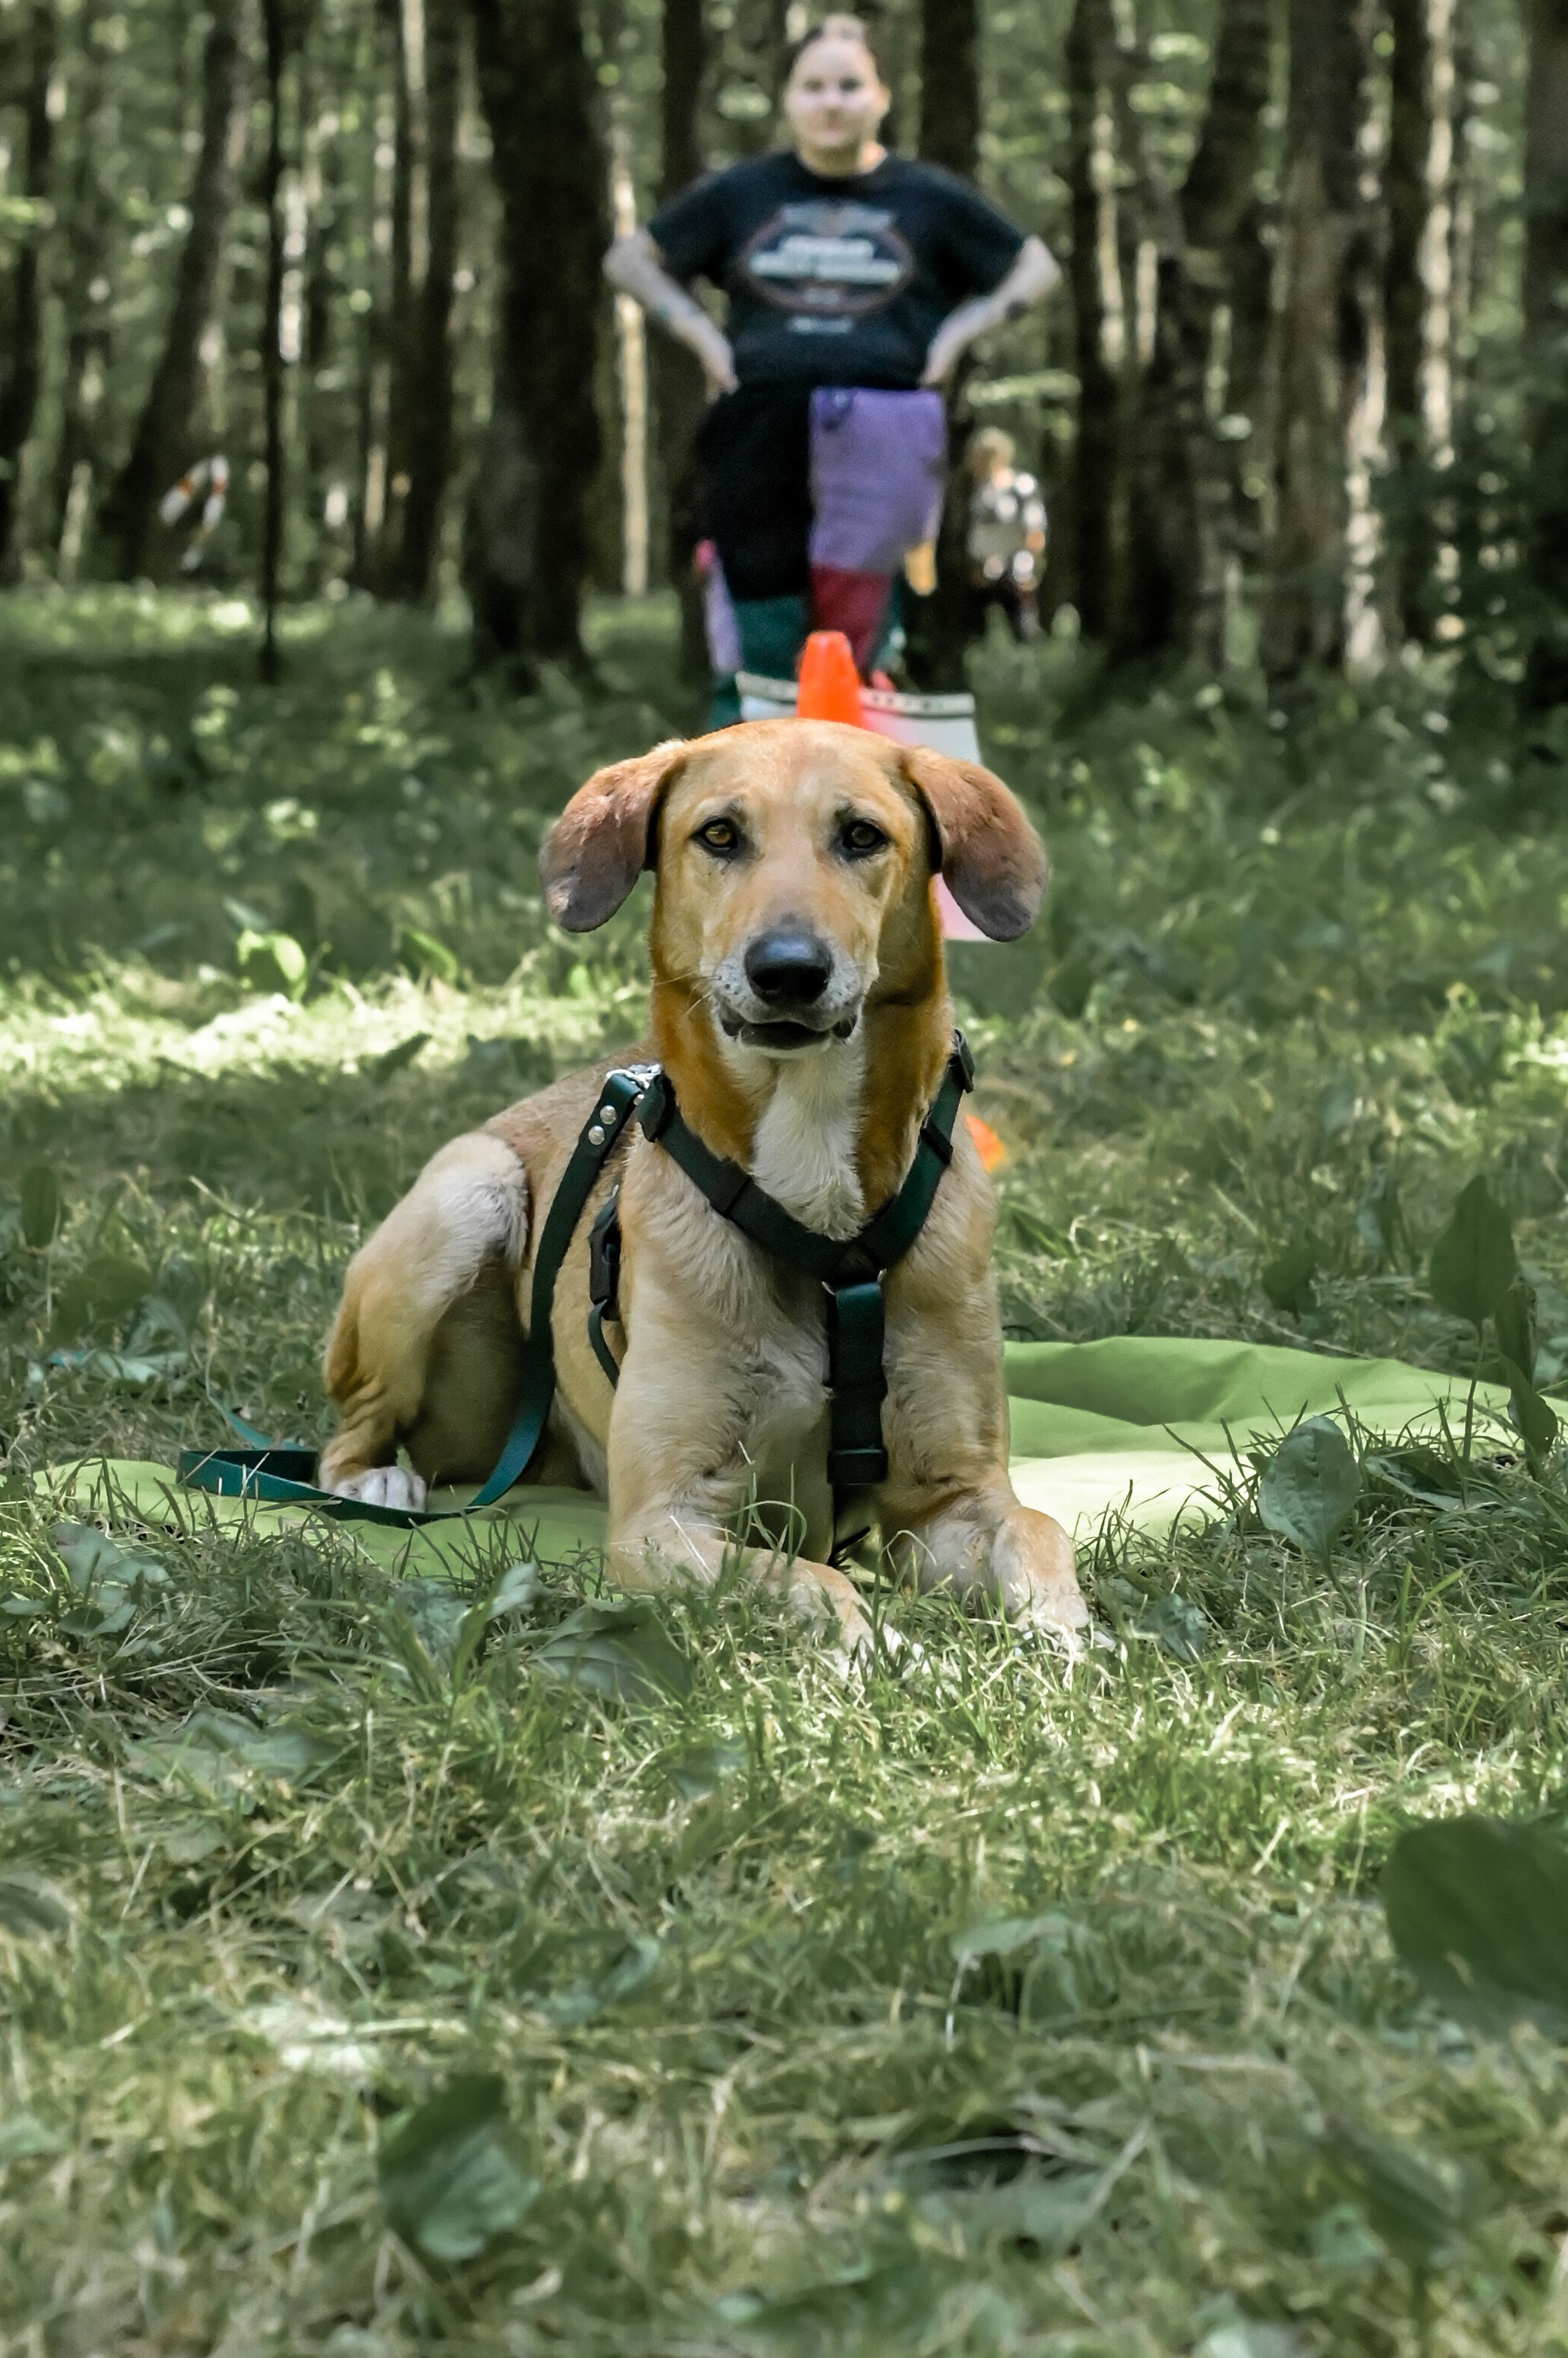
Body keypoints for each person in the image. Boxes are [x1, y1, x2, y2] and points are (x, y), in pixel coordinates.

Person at [605, 13, 1058, 716]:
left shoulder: (927, 196)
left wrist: (962, 329)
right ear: (788, 97)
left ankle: (854, 806)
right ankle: (737, 797)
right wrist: (699, 334)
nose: (832, 101)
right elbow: (630, 261)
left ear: (880, 95)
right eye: (813, 86)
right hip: (758, 426)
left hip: (886, 429)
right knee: (757, 631)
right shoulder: (743, 192)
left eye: (850, 84)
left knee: (859, 647)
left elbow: (1035, 267)